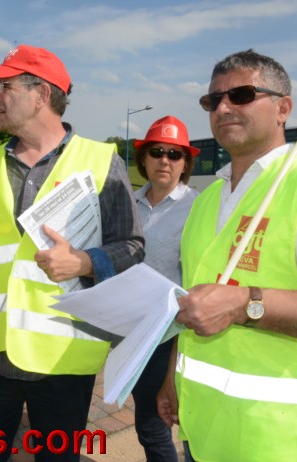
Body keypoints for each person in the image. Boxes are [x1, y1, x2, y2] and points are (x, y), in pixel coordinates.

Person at [156, 49, 297, 462]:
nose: (223, 107)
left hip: (290, 442)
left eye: (241, 95)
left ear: (283, 109)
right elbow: (196, 302)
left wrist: (245, 304)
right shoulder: (207, 201)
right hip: (206, 432)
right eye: (212, 100)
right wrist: (173, 376)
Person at [0, 44, 144, 461]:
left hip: (63, 359)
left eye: (4, 87)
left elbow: (132, 247)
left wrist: (85, 262)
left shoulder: (103, 160)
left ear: (41, 94)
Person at [130, 115, 199, 461]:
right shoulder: (128, 203)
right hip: (132, 328)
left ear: (185, 163)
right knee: (149, 420)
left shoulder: (198, 208)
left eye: (175, 154)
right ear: (143, 158)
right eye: (156, 152)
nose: (165, 160)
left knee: (159, 423)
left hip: (171, 332)